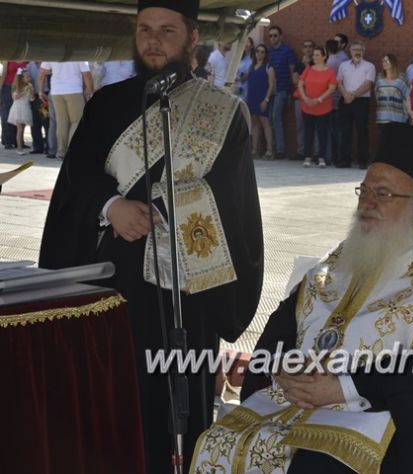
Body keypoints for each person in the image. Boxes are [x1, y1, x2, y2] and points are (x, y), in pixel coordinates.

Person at [38, 1, 264, 472]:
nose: (153, 40)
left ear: (191, 37)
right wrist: (110, 207)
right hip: (113, 285)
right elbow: (76, 180)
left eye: (166, 30)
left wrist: (167, 207)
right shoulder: (106, 103)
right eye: (144, 29)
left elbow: (235, 205)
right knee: (115, 405)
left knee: (175, 412)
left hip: (186, 292)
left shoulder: (224, 113)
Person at [191, 122, 413, 473]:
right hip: (300, 401)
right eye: (364, 190)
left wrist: (343, 389)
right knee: (220, 441)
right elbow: (283, 326)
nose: (367, 203)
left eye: (384, 193)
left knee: (313, 466)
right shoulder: (341, 259)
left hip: (381, 419)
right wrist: (282, 365)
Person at [39, 61, 94, 160]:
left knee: (61, 123)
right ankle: (72, 151)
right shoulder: (79, 52)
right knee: (76, 122)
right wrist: (91, 90)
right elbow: (86, 73)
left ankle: (61, 152)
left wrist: (41, 90)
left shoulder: (54, 50)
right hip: (74, 90)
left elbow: (43, 71)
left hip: (56, 91)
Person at [336, 40, 375, 169]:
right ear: (350, 51)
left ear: (364, 51)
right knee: (345, 131)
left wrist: (352, 95)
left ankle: (362, 161)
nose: (357, 52)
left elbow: (368, 85)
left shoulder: (369, 66)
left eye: (360, 50)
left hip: (361, 101)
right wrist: (346, 95)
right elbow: (339, 82)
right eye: (354, 50)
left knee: (362, 131)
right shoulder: (343, 66)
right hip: (345, 101)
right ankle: (344, 160)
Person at [298, 45, 337, 168]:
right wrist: (305, 98)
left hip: (323, 108)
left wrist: (319, 99)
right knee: (308, 132)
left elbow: (332, 88)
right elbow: (300, 84)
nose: (314, 57)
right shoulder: (308, 69)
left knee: (322, 133)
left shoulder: (330, 71)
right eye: (313, 55)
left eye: (317, 55)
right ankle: (307, 157)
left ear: (324, 57)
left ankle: (321, 157)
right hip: (307, 106)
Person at [268, 25, 297, 160]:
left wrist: (292, 91)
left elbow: (292, 71)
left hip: (282, 89)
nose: (272, 38)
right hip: (270, 90)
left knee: (276, 117)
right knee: (270, 118)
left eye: (275, 35)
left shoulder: (287, 51)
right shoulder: (269, 52)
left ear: (281, 36)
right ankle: (273, 148)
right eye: (270, 36)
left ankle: (280, 149)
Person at [246, 43, 275, 159]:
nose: (259, 54)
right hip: (252, 97)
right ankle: (254, 149)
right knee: (254, 122)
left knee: (265, 122)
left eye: (262, 52)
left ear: (266, 54)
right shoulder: (251, 67)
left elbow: (271, 85)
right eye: (258, 51)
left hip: (263, 98)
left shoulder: (269, 67)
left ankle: (269, 150)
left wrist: (266, 99)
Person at [293, 39, 315, 161]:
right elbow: (295, 81)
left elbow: (312, 80)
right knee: (300, 126)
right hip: (300, 99)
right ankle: (301, 151)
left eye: (310, 46)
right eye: (305, 47)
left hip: (314, 99)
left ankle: (317, 153)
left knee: (315, 127)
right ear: (302, 49)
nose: (308, 49)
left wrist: (307, 67)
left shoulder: (317, 63)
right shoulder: (298, 64)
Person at [1, 61, 28, 149]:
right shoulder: (8, 59)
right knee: (7, 114)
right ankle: (8, 141)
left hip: (21, 87)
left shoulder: (26, 58)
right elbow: (4, 74)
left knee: (19, 114)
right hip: (8, 87)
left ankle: (19, 142)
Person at [375, 53, 409, 124]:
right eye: (383, 61)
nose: (384, 63)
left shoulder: (401, 78)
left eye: (386, 61)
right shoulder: (379, 78)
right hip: (382, 117)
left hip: (398, 117)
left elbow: (407, 97)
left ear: (392, 62)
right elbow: (377, 96)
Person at [325, 39, 343, 165]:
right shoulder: (341, 62)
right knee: (337, 130)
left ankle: (332, 156)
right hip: (339, 98)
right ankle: (337, 157)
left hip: (330, 99)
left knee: (332, 130)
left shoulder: (329, 63)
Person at [8, 68, 34, 155]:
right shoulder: (16, 87)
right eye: (27, 77)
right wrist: (25, 90)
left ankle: (21, 145)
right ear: (21, 78)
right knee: (19, 129)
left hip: (26, 109)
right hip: (18, 109)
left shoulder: (29, 86)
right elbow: (15, 97)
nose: (29, 78)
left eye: (29, 77)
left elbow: (31, 99)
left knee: (22, 129)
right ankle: (19, 148)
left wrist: (31, 91)